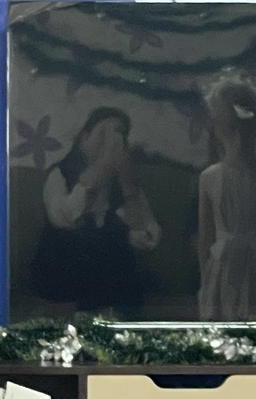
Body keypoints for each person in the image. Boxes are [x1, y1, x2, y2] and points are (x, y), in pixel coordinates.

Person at [31, 108, 160, 315]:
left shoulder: (123, 181)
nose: (111, 144)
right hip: (63, 268)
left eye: (118, 137)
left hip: (110, 275)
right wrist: (102, 168)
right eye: (103, 135)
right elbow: (66, 217)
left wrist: (128, 186)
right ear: (84, 137)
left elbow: (147, 237)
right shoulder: (60, 174)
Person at [197, 73, 256, 321]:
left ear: (217, 128)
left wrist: (206, 282)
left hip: (236, 269)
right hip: (252, 270)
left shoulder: (210, 178)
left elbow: (205, 240)